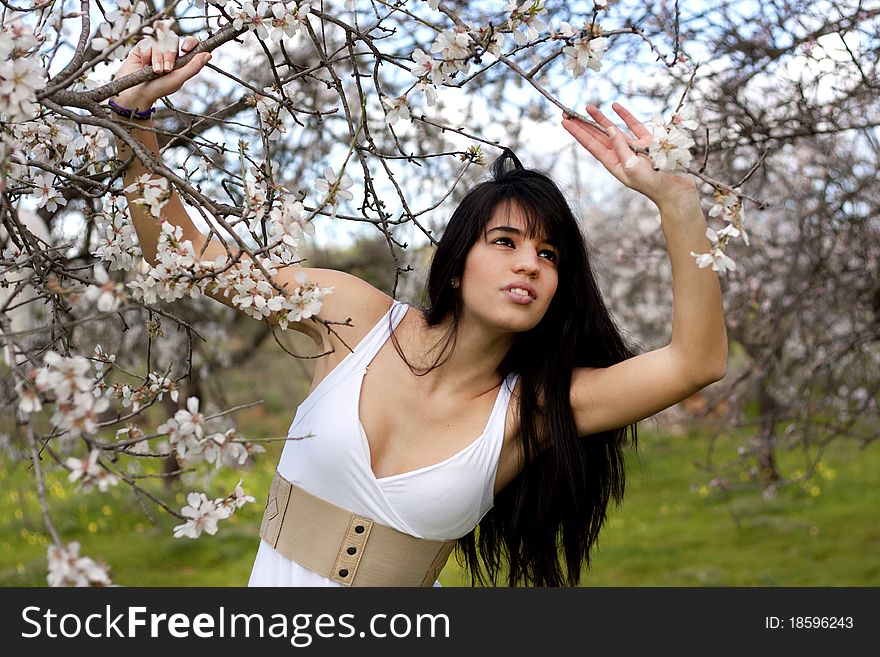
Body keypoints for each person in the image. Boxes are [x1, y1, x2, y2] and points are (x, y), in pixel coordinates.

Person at [110, 35, 727, 587]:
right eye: (505, 242)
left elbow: (695, 363)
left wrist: (678, 204)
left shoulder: (532, 411)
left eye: (549, 254)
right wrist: (135, 118)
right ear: (456, 266)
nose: (530, 265)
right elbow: (188, 258)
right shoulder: (352, 317)